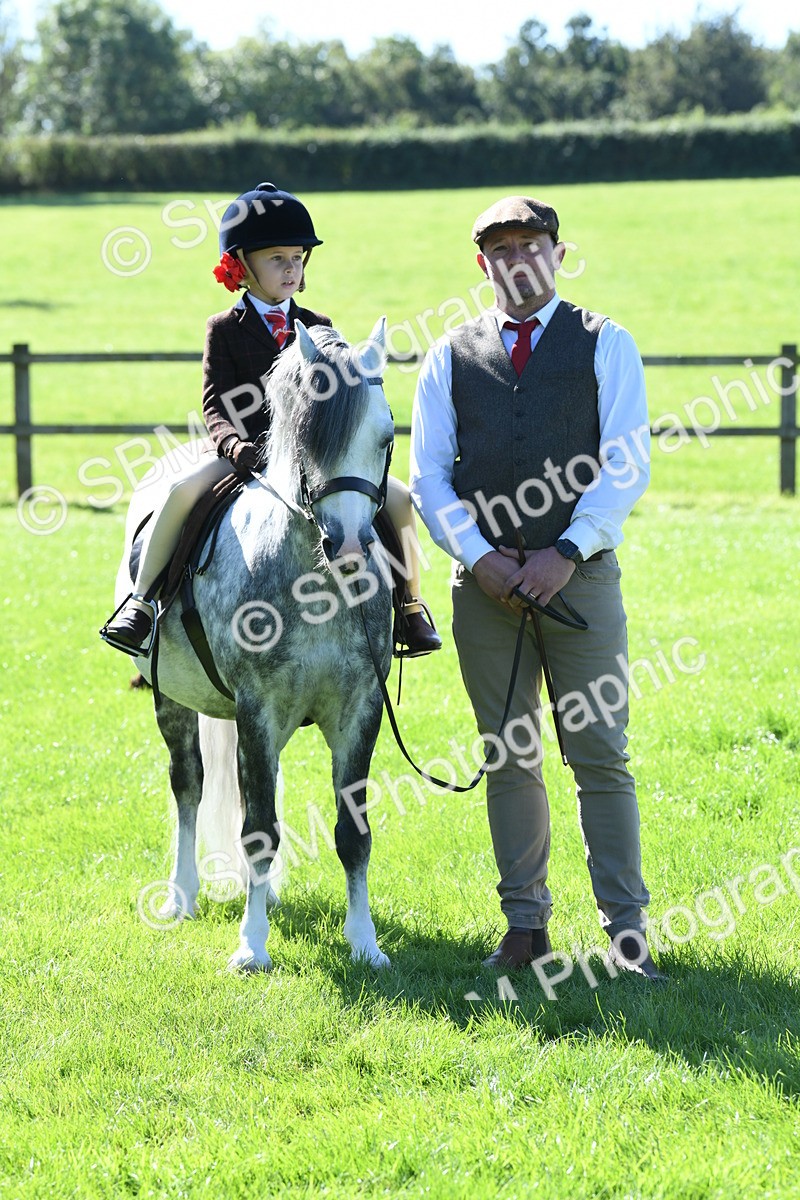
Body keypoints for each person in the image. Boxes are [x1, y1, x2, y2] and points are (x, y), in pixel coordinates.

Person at [409, 195, 664, 981]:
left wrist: (567, 551)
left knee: (600, 755)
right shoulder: (448, 355)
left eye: (532, 245)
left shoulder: (606, 341)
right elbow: (428, 476)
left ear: (558, 253)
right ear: (481, 263)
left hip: (581, 583)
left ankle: (627, 936)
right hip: (484, 594)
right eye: (502, 249)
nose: (518, 259)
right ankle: (525, 929)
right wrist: (480, 558)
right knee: (509, 756)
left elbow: (626, 462)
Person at [103, 182, 440, 658]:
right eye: (277, 258)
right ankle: (141, 603)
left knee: (399, 498)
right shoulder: (224, 329)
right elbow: (215, 403)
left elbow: (338, 401)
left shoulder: (319, 325)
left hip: (312, 459)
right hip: (245, 454)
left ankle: (409, 607)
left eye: (297, 258)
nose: (290, 268)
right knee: (180, 493)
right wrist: (233, 446)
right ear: (242, 267)